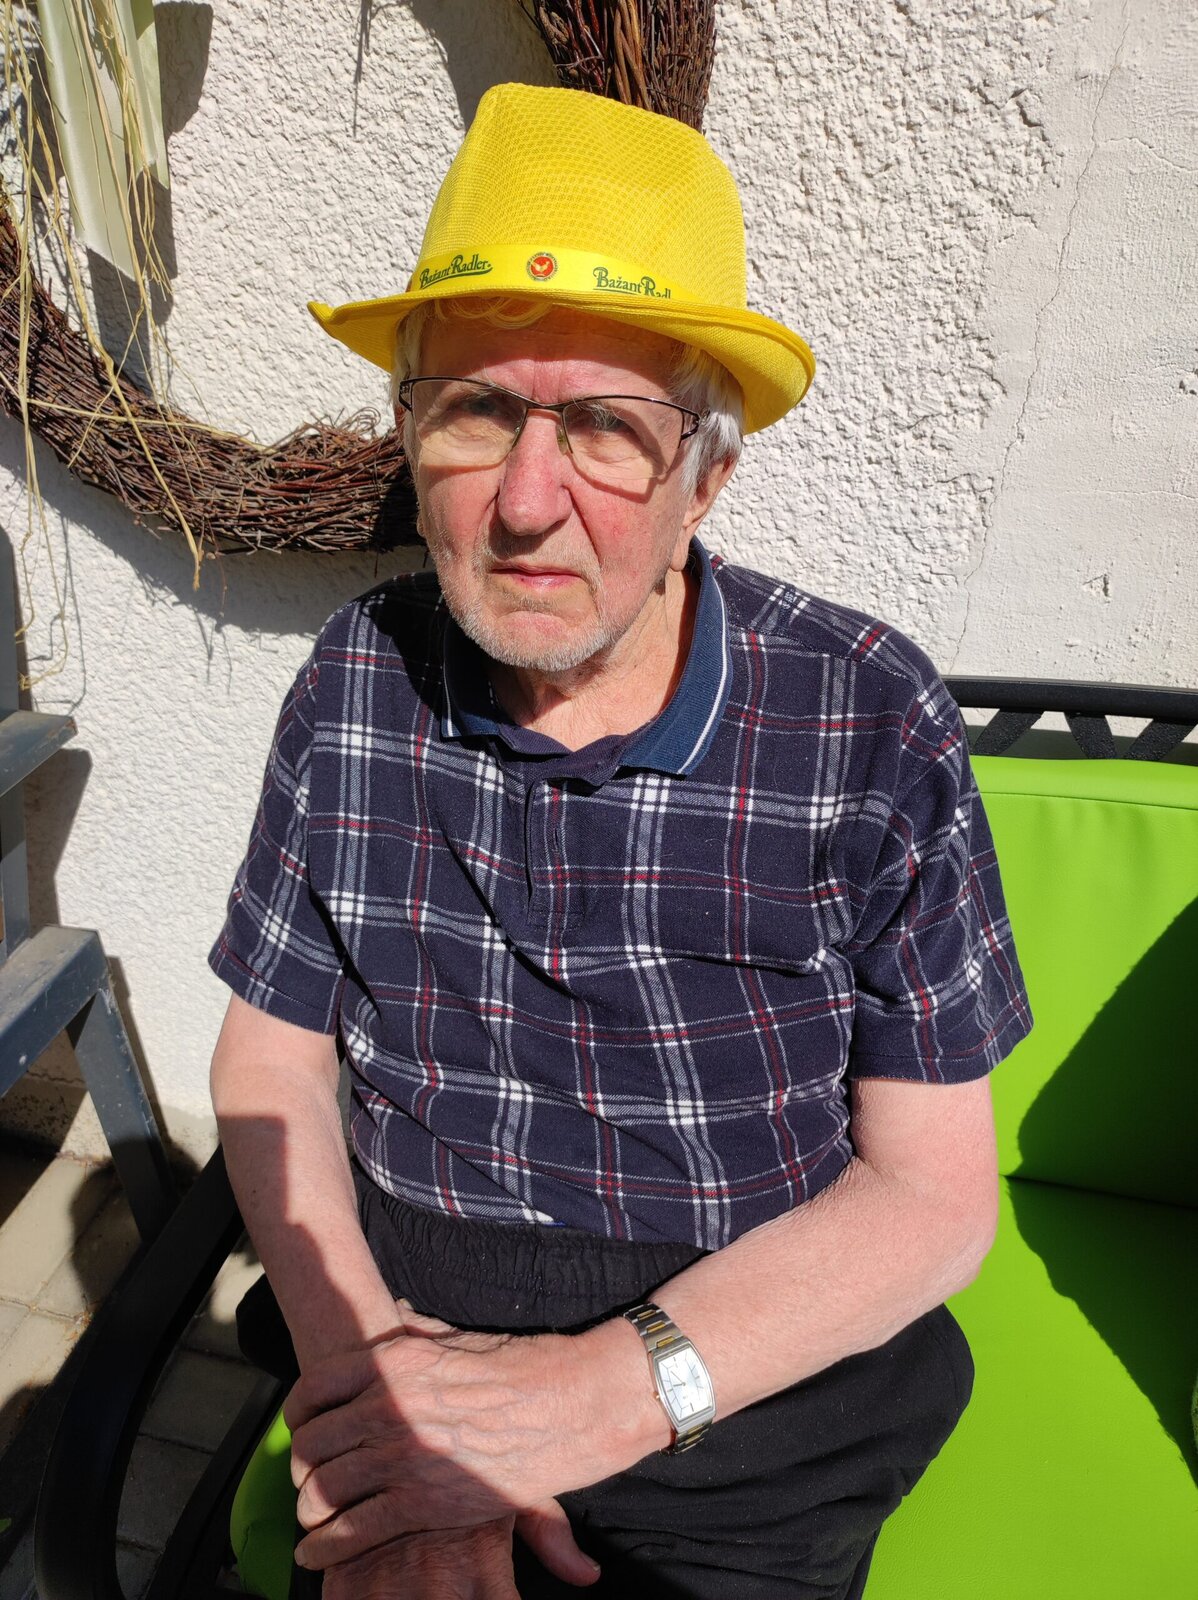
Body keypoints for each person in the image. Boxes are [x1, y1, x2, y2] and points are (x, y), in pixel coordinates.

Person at [209, 83, 1031, 1600]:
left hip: (742, 1386)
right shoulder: (353, 683)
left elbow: (932, 1200)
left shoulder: (865, 717)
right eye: (475, 412)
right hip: (399, 1329)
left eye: (604, 428)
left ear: (706, 474)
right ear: (411, 436)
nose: (527, 504)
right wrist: (388, 1407)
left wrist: (596, 1394)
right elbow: (270, 1067)